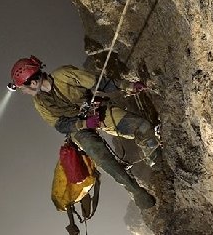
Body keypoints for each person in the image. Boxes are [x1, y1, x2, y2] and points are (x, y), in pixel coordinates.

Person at [9, 55, 160, 209]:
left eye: (24, 88)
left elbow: (100, 83)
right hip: (79, 128)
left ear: (33, 82)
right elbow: (60, 125)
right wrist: (83, 123)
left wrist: (128, 86)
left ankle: (158, 164)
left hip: (97, 111)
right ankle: (136, 191)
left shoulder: (64, 75)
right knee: (101, 157)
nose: (24, 92)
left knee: (142, 127)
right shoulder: (40, 103)